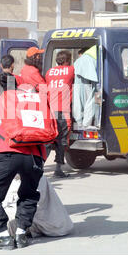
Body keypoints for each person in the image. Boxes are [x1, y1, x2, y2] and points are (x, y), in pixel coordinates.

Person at [0, 72, 47, 250]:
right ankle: (21, 235)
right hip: (34, 155)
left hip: (6, 153)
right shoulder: (32, 100)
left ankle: (4, 236)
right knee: (28, 193)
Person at [45, 50, 75, 178]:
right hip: (63, 111)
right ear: (67, 61)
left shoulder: (49, 72)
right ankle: (58, 169)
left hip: (50, 110)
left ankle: (38, 166)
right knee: (62, 140)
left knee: (47, 140)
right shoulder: (70, 70)